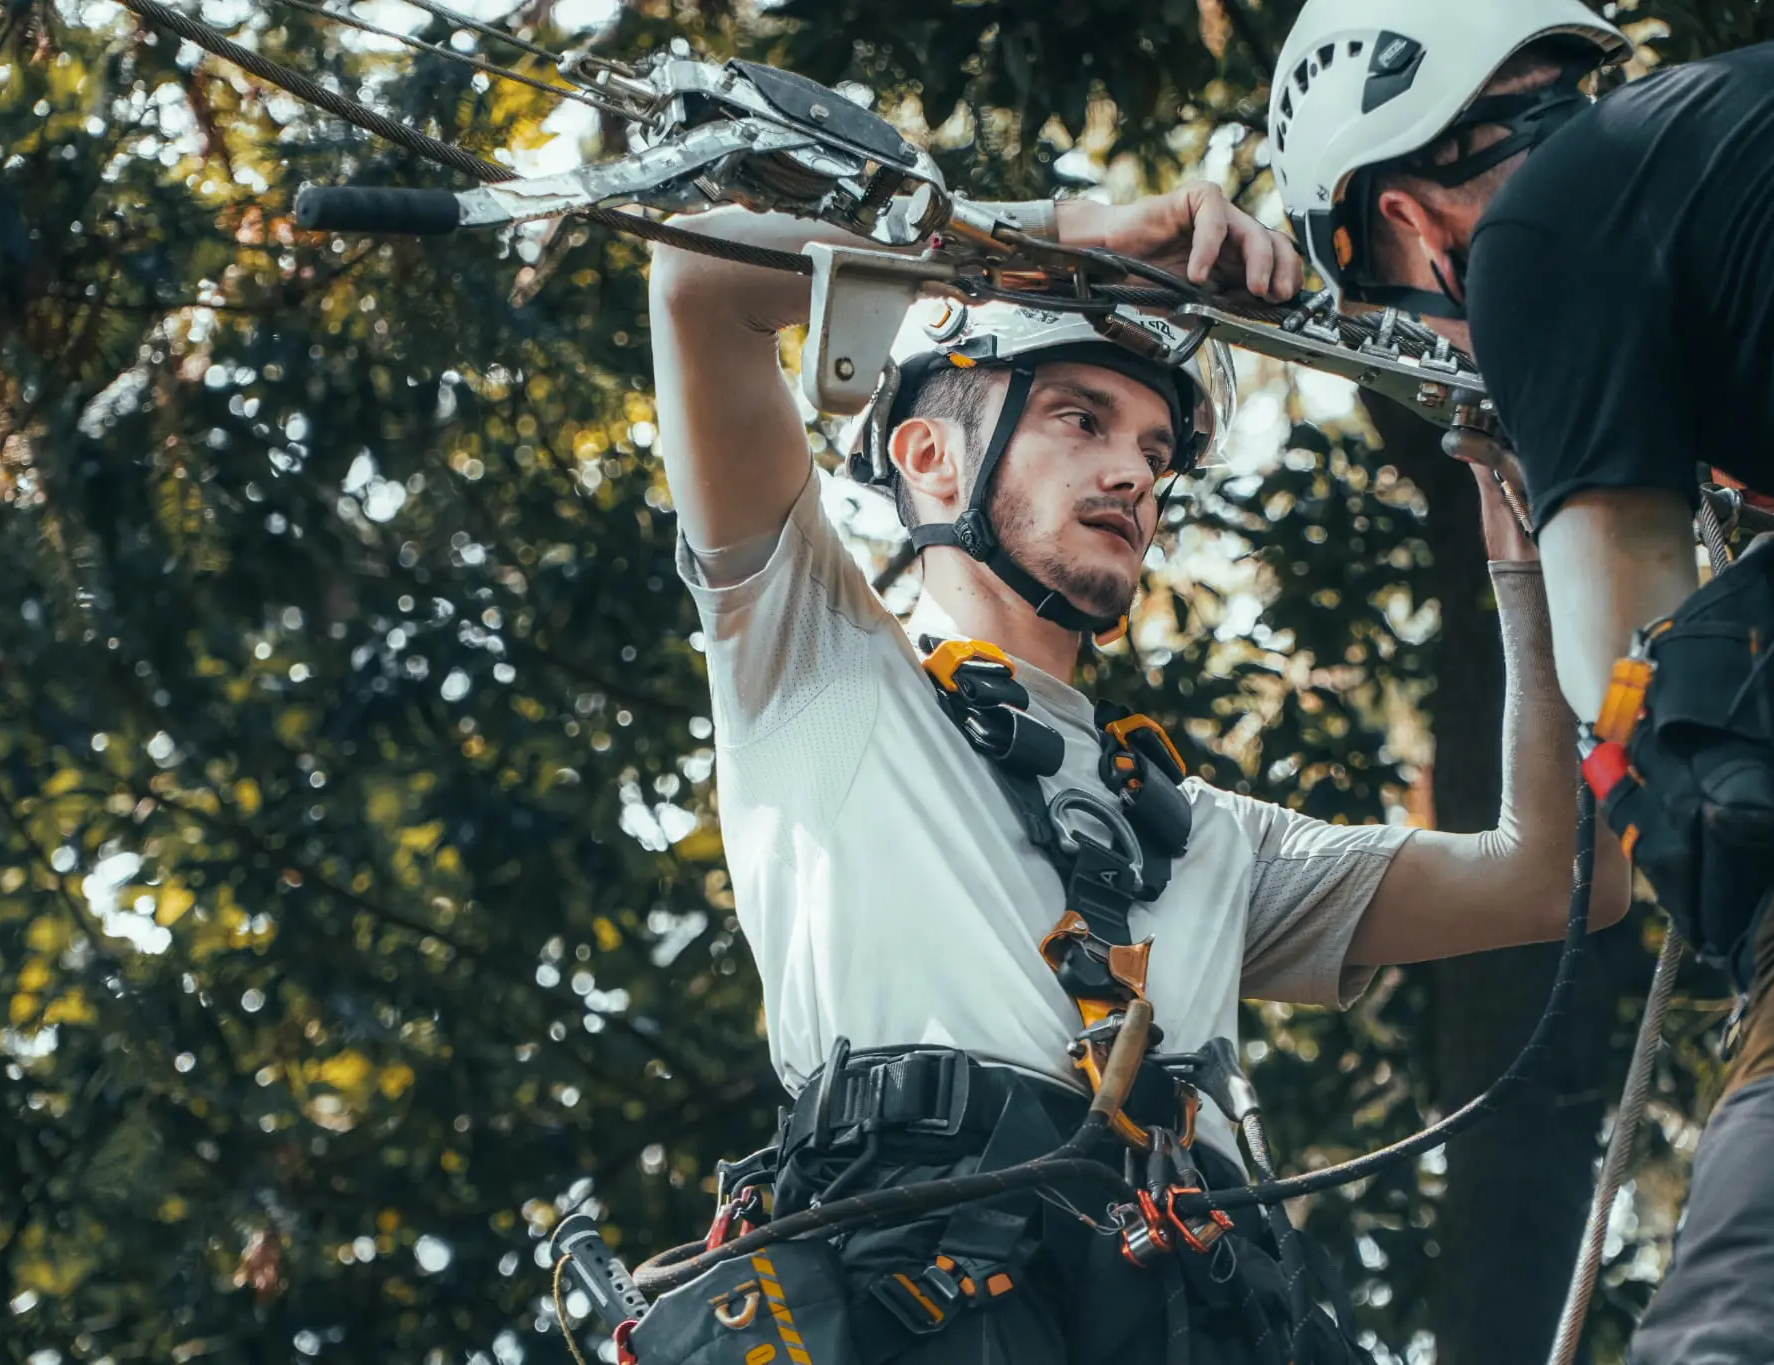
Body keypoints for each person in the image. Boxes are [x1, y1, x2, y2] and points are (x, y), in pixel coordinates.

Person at [631, 174, 1630, 1365]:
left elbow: (1555, 877)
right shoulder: (818, 666)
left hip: (1183, 1315)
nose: (1133, 476)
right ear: (930, 460)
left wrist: (1528, 557)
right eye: (1078, 419)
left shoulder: (1207, 840)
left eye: (1155, 451)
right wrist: (1062, 236)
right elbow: (698, 280)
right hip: (929, 1296)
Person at [1268, 2, 1774, 1360]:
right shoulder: (1773, 142)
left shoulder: (1533, 228)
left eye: (1408, 313)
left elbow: (1629, 653)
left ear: (1408, 221)